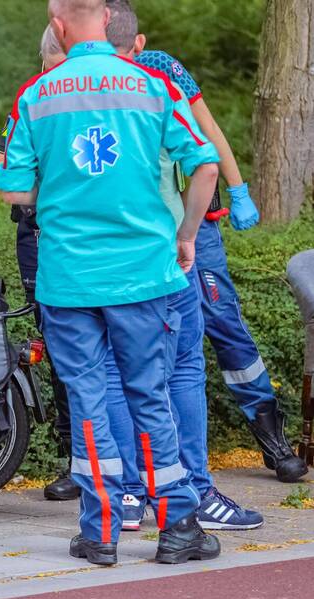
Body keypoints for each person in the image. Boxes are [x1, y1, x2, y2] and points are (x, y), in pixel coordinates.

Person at [0, 22, 264, 533]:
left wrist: (4, 176)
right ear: (130, 38)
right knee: (166, 381)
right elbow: (205, 159)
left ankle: (106, 523)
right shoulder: (155, 82)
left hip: (71, 274)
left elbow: (13, 187)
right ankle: (184, 510)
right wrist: (193, 232)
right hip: (153, 267)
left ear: (58, 29)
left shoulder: (40, 95)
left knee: (97, 390)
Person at [106, 0, 308, 485]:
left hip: (196, 224)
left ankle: (271, 437)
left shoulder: (160, 68)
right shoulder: (88, 79)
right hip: (142, 232)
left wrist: (238, 189)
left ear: (138, 43)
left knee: (222, 321)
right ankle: (144, 465)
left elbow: (209, 131)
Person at [0, 27, 78, 504]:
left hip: (86, 237)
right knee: (60, 349)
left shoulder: (101, 89)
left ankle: (113, 460)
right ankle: (75, 460)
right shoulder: (31, 95)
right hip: (40, 237)